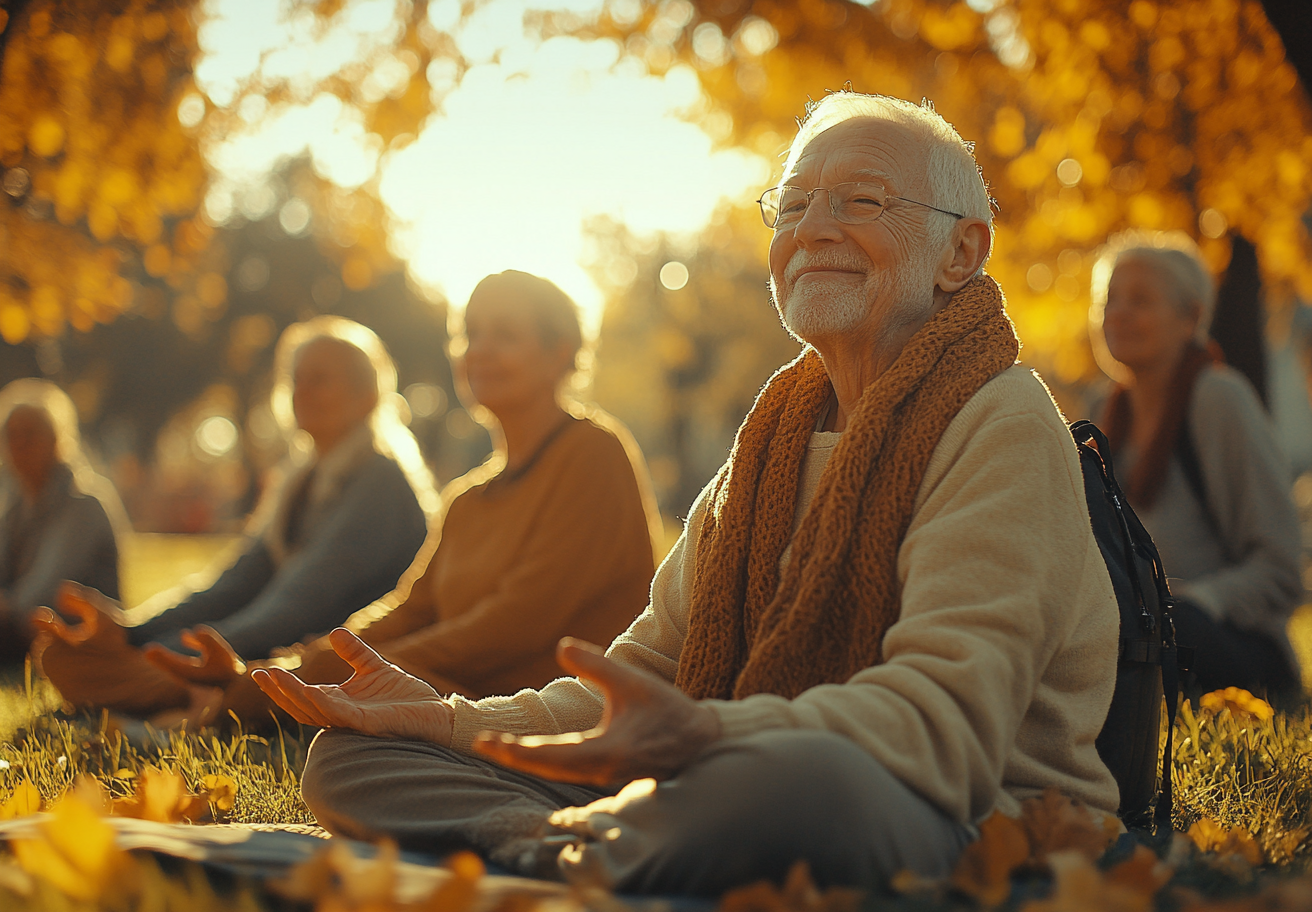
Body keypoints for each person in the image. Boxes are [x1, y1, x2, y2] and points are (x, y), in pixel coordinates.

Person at [255, 92, 1122, 897]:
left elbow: (943, 729)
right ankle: (581, 847)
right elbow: (644, 677)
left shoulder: (1001, 420)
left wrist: (709, 736)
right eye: (793, 205)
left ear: (961, 252)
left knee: (795, 781)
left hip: (954, 809)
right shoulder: (771, 441)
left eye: (860, 201)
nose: (814, 229)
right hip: (718, 771)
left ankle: (607, 842)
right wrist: (447, 722)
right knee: (354, 758)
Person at [147, 270, 662, 724]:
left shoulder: (594, 454)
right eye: (469, 333)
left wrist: (337, 669)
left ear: (560, 354)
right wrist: (304, 662)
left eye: (504, 335)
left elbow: (517, 623)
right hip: (463, 697)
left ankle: (196, 698)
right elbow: (409, 610)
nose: (479, 350)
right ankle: (202, 693)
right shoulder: (467, 498)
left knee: (344, 731)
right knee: (332, 700)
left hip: (553, 712)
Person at [34, 317, 435, 717]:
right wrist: (132, 632)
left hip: (323, 663)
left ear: (367, 397)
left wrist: (166, 654)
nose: (301, 393)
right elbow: (236, 581)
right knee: (63, 657)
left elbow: (300, 602)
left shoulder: (380, 481)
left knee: (114, 672)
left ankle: (178, 695)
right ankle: (166, 692)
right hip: (269, 650)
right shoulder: (300, 479)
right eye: (295, 380)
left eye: (319, 380)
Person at [1090, 232, 1303, 699]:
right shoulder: (1100, 417)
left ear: (1190, 318)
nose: (1117, 313)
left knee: (1172, 628)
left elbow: (1282, 569)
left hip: (1230, 646)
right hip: (1136, 636)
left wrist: (1195, 602)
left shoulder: (1219, 399)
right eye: (1109, 300)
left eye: (1140, 300)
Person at [0, 380, 124, 666]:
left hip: (74, 634)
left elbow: (46, 587)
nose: (19, 445)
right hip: (22, 625)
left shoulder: (83, 503)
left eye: (30, 434)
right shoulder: (15, 503)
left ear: (58, 440)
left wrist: (7, 608)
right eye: (11, 435)